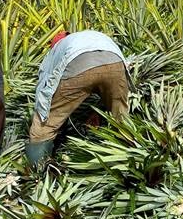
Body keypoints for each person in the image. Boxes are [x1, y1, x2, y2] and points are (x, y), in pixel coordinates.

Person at [25, 30, 129, 165]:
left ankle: (37, 170)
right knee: (121, 119)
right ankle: (128, 162)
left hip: (79, 63)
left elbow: (45, 85)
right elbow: (105, 78)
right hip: (115, 62)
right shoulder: (89, 37)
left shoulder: (56, 49)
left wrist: (43, 112)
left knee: (45, 126)